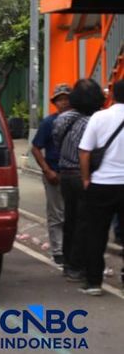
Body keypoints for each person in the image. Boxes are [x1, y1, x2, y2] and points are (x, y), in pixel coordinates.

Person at [52, 79, 105, 283]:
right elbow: (92, 150)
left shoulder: (63, 119)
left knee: (70, 219)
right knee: (85, 222)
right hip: (83, 174)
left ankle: (68, 263)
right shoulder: (95, 121)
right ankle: (77, 265)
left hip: (65, 173)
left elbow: (57, 141)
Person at [78, 79, 124, 296]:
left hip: (102, 184)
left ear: (112, 95)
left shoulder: (99, 117)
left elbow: (85, 151)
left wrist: (86, 179)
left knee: (96, 234)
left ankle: (94, 282)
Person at [31, 84, 71, 267]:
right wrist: (47, 171)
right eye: (60, 99)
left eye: (66, 99)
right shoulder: (49, 122)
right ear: (55, 102)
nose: (63, 102)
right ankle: (58, 251)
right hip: (54, 172)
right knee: (57, 214)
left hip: (73, 174)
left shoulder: (77, 122)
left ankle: (70, 250)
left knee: (72, 214)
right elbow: (36, 148)